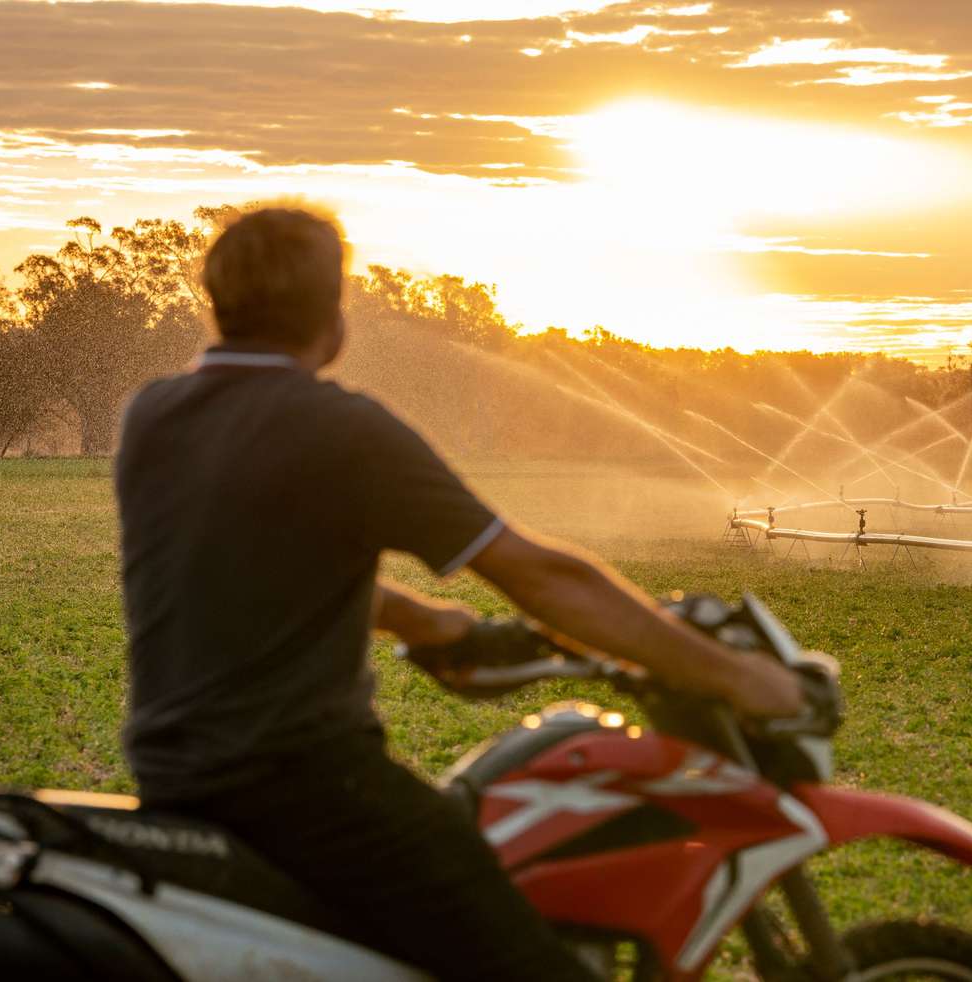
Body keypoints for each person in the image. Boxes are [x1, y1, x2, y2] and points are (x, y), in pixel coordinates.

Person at [113, 205, 806, 980]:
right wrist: (739, 676)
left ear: (216, 301)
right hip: (307, 786)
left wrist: (420, 620)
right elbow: (538, 574)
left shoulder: (153, 414)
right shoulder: (342, 431)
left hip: (172, 772)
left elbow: (255, 558)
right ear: (334, 314)